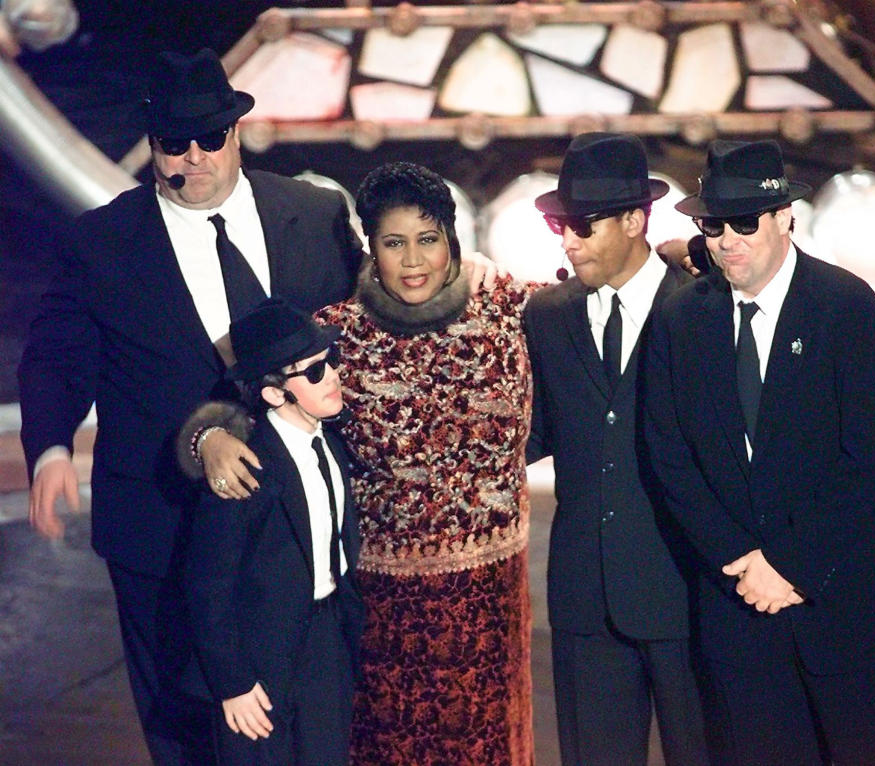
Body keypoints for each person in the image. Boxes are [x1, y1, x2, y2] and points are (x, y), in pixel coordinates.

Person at [17, 48, 364, 763]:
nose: (194, 158)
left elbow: (375, 316)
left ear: (237, 134)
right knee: (182, 732)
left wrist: (466, 267)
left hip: (288, 537)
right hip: (158, 526)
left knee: (302, 731)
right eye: (175, 143)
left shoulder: (316, 214)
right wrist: (51, 448)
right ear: (154, 146)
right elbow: (57, 356)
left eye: (210, 139)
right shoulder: (104, 242)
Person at [186, 161, 535, 765]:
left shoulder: (505, 303)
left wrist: (683, 252)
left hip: (490, 602)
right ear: (369, 247)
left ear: (452, 238)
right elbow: (246, 399)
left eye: (428, 239)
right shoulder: (335, 335)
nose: (413, 260)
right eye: (393, 243)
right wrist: (207, 438)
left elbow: (601, 316)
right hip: (384, 608)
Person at [644, 139, 875, 766]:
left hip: (858, 616)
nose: (728, 241)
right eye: (713, 226)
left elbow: (871, 463)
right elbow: (670, 458)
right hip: (742, 621)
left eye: (745, 223)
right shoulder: (681, 319)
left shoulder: (851, 311)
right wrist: (738, 558)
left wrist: (789, 567)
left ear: (785, 220)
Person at [524, 132, 709, 766]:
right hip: (585, 603)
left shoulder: (703, 309)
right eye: (559, 224)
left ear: (636, 219)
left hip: (690, 597)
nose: (568, 241)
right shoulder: (545, 316)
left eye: (583, 225)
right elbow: (527, 433)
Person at [182, 298, 363, 766]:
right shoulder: (246, 467)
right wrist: (232, 683)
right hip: (259, 654)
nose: (334, 375)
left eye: (332, 361)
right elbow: (208, 585)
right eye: (314, 372)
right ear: (273, 393)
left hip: (326, 641)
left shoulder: (334, 444)